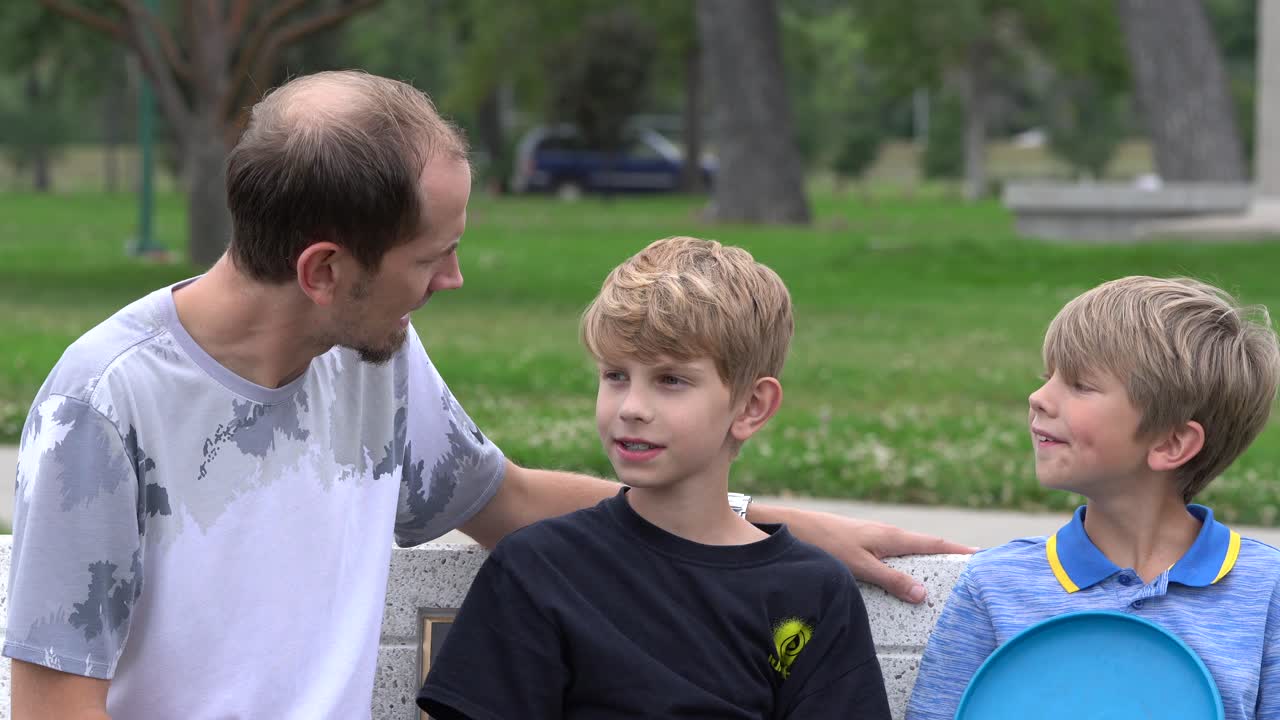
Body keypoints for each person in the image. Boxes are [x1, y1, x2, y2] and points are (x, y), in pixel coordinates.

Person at [4, 70, 965, 719]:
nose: (454, 279)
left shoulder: (372, 356)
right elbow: (52, 697)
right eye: (435, 255)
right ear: (326, 269)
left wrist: (773, 526)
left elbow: (500, 499)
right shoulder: (107, 404)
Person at [418, 236, 893, 719]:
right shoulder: (539, 569)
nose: (632, 408)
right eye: (616, 376)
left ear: (752, 407)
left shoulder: (810, 592)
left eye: (671, 380)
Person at [906, 276, 1280, 720]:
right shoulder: (995, 587)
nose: (1038, 398)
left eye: (1081, 384)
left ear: (1171, 443)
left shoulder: (1266, 591)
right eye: (1049, 378)